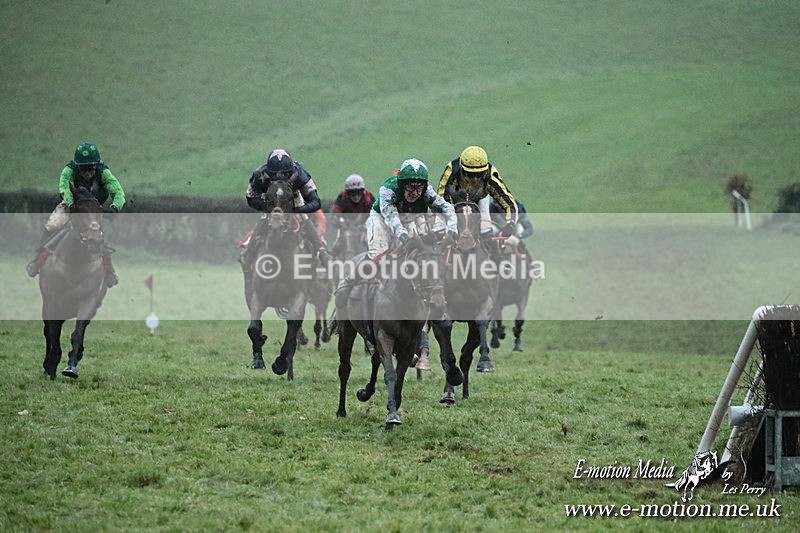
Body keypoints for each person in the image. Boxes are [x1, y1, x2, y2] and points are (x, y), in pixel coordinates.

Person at [26, 142, 125, 287]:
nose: (87, 172)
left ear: (96, 166)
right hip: (72, 205)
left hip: (93, 208)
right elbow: (64, 188)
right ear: (77, 166)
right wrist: (71, 205)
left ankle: (109, 270)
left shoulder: (104, 172)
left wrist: (114, 208)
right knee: (54, 224)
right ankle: (38, 259)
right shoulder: (68, 170)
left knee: (99, 233)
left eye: (90, 168)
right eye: (83, 169)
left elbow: (119, 193)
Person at [243, 148, 330, 268]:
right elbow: (250, 197)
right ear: (268, 170)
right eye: (275, 174)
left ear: (291, 170)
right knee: (264, 219)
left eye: (285, 174)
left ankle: (321, 252)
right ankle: (249, 254)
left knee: (303, 218)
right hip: (271, 199)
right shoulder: (259, 174)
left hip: (293, 197)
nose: (280, 177)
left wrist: (297, 210)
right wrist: (268, 208)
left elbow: (315, 202)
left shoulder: (300, 174)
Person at [366, 158, 457, 260]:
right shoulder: (387, 190)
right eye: (410, 187)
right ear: (402, 185)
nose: (414, 193)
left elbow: (447, 208)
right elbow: (391, 217)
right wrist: (402, 234)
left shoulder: (427, 192)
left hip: (407, 221)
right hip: (381, 220)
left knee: (420, 250)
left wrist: (452, 229)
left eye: (419, 188)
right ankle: (354, 275)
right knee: (377, 253)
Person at [437, 145, 520, 248]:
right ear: (462, 170)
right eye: (470, 175)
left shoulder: (491, 176)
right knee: (438, 229)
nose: (475, 179)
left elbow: (509, 203)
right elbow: (442, 197)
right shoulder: (452, 170)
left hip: (479, 198)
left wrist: (510, 223)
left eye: (480, 174)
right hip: (453, 200)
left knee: (486, 231)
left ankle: (497, 260)